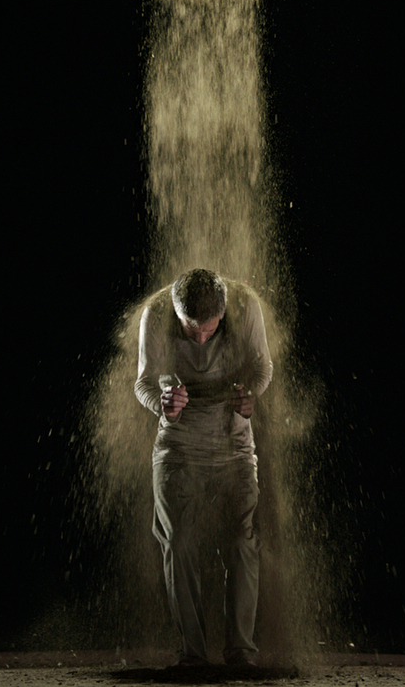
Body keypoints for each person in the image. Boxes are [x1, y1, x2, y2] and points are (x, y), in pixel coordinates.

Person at [134, 268, 273, 667]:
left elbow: (263, 368)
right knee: (177, 542)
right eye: (191, 330)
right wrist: (163, 404)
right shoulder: (155, 313)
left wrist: (250, 397)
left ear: (224, 312)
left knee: (242, 541)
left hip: (233, 441)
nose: (200, 340)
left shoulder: (246, 305)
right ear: (176, 312)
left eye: (209, 331)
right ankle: (192, 654)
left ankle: (242, 652)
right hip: (178, 444)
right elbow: (143, 382)